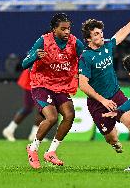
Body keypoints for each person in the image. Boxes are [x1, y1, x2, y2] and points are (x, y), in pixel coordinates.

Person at [79, 3, 130, 168]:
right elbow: (82, 85)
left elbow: (122, 33)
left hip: (116, 95)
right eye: (96, 34)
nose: (100, 36)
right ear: (89, 39)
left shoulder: (106, 46)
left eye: (101, 32)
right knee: (111, 137)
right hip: (98, 103)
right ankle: (114, 141)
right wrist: (103, 101)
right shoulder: (86, 57)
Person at [22, 13, 84, 169]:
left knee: (70, 115)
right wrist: (35, 56)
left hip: (62, 86)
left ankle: (51, 152)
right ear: (54, 29)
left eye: (68, 28)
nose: (67, 32)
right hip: (41, 85)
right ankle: (33, 148)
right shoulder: (43, 41)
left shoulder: (75, 43)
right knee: (51, 117)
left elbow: (86, 57)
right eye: (63, 29)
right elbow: (24, 63)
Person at [2, 69, 44, 142]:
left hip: (43, 80)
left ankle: (34, 134)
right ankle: (9, 130)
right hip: (32, 78)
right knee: (28, 107)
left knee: (42, 108)